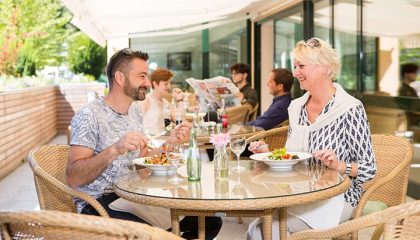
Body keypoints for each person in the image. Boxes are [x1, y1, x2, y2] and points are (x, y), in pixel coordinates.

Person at [66, 48, 222, 240]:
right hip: (98, 204)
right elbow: (73, 177)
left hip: (133, 196)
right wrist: (115, 149)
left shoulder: (134, 111)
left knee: (210, 222)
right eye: (141, 76)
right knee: (158, 236)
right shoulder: (89, 115)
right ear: (120, 78)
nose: (147, 83)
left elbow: (141, 163)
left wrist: (170, 144)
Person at [247, 38, 376, 239]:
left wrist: (339, 165)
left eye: (301, 66)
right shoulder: (296, 107)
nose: (295, 73)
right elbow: (294, 156)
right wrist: (270, 155)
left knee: (267, 230)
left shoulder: (350, 109)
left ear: (325, 67)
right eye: (295, 66)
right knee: (259, 227)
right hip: (298, 194)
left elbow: (369, 170)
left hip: (338, 197)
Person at [139, 67, 184, 135]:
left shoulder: (165, 102)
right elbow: (136, 125)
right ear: (155, 84)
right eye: (165, 84)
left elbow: (181, 122)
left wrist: (180, 100)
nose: (169, 87)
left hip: (164, 141)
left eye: (169, 83)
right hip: (149, 141)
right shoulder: (145, 100)